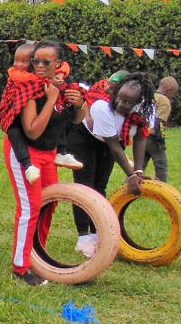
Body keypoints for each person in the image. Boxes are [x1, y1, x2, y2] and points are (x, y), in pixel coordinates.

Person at [2, 41, 87, 285]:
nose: (37, 66)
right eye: (35, 61)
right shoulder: (29, 88)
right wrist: (51, 99)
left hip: (48, 154)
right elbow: (32, 131)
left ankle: (37, 255)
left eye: (44, 62)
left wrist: (78, 103)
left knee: (49, 204)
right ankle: (20, 267)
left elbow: (77, 120)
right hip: (25, 153)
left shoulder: (64, 84)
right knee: (30, 208)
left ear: (58, 65)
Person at [67, 72, 156, 257]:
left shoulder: (147, 108)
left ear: (139, 103)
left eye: (128, 103)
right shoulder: (102, 106)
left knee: (100, 186)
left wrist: (138, 171)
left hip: (112, 140)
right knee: (85, 186)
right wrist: (131, 175)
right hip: (85, 138)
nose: (121, 104)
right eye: (120, 99)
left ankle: (98, 233)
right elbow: (114, 147)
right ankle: (83, 238)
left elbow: (141, 138)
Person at [142, 76, 178, 182]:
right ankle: (162, 191)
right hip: (153, 137)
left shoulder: (149, 96)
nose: (172, 96)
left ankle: (125, 192)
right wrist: (161, 141)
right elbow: (159, 123)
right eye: (173, 93)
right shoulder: (164, 101)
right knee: (161, 165)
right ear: (169, 89)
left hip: (141, 136)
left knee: (138, 168)